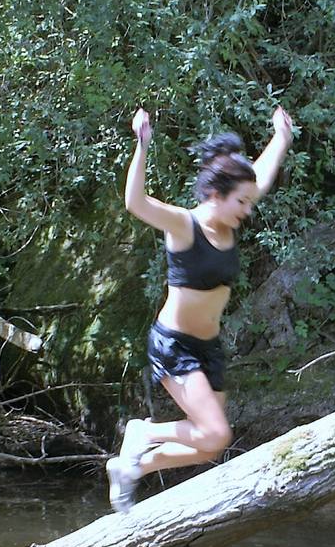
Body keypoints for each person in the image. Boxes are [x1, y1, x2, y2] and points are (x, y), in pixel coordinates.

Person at [107, 104, 294, 512]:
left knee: (206, 445)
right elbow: (135, 203)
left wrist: (281, 137)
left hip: (209, 349)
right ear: (215, 194)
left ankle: (133, 468)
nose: (248, 210)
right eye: (241, 202)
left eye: (249, 201)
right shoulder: (184, 225)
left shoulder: (232, 211)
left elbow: (257, 178)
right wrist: (142, 144)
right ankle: (142, 433)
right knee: (215, 435)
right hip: (175, 345)